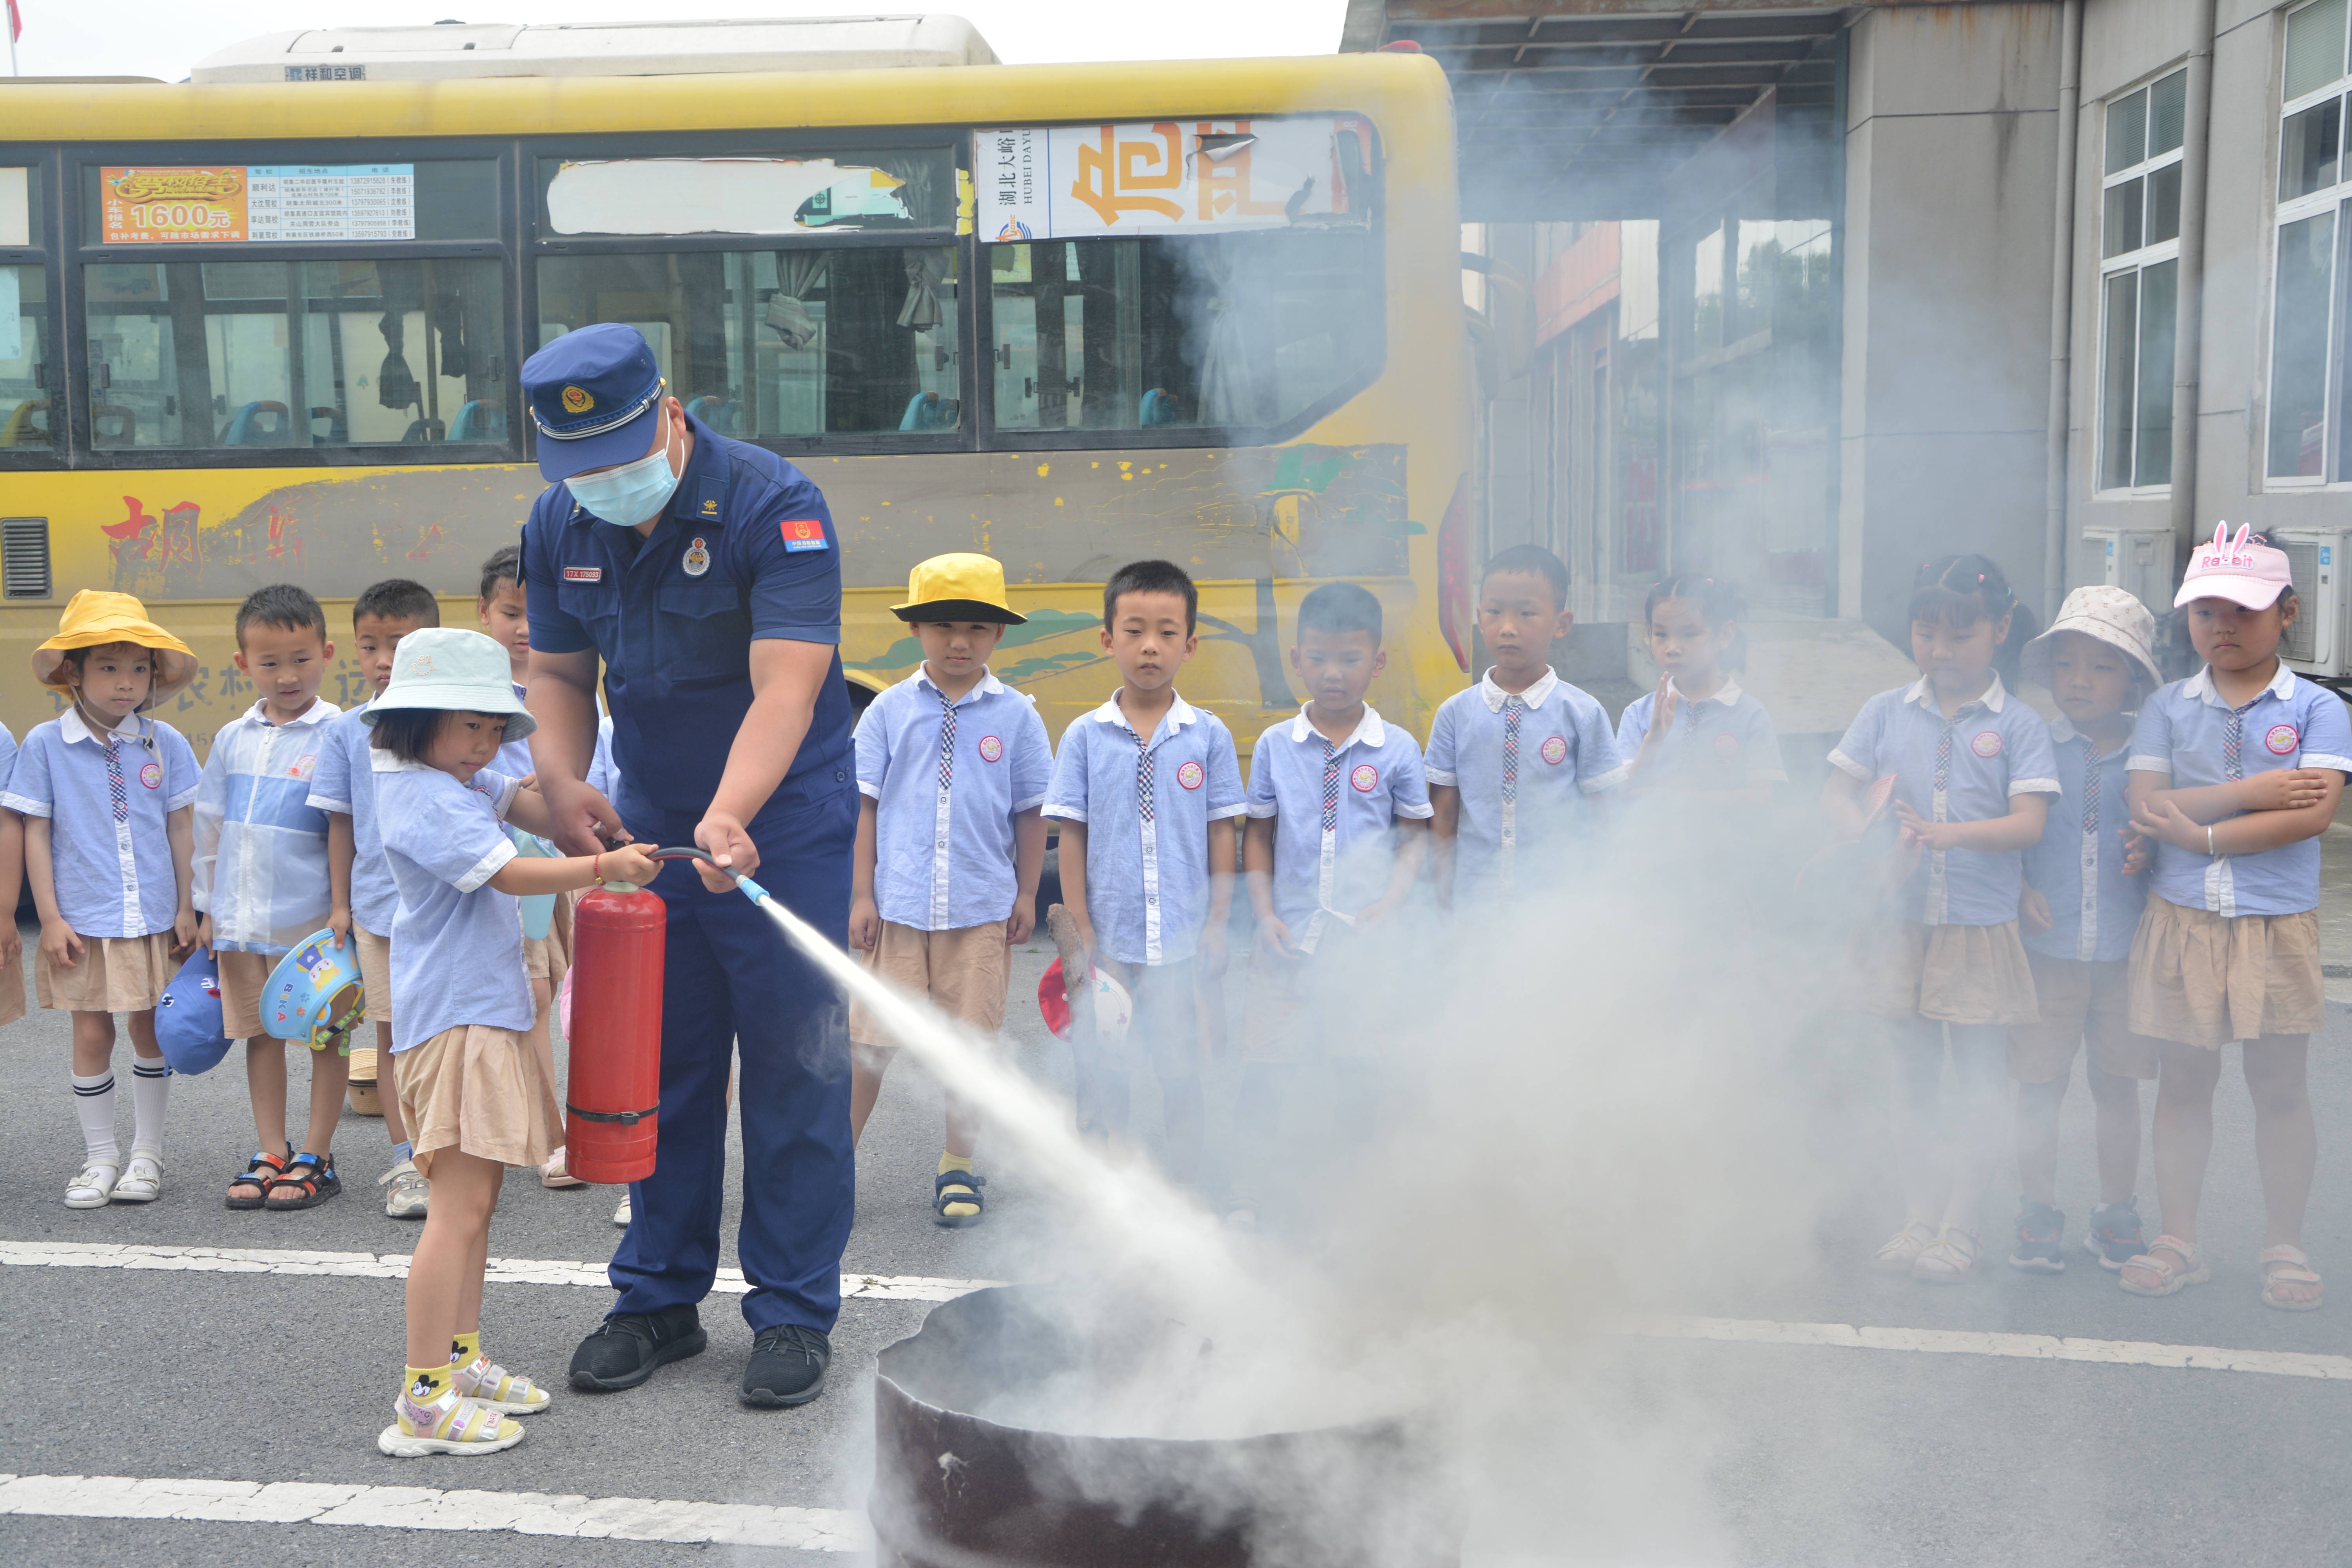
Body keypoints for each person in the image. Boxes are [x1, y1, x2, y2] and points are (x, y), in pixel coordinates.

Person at [515, 323, 859, 1410]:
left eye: (620, 459)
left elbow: (789, 690)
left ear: (670, 415)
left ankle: (793, 1313)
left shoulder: (775, 504)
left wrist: (734, 812)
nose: (603, 487)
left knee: (796, 1067)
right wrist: (564, 783)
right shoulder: (559, 519)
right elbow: (562, 675)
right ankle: (657, 1298)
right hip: (656, 823)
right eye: (581, 471)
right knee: (663, 1063)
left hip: (782, 821)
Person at [368, 627, 661, 1457]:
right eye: (474, 726)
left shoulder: (453, 775)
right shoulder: (424, 796)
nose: (489, 743)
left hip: (480, 1011)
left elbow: (523, 801)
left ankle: (460, 1360)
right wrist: (604, 869)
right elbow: (508, 871)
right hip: (456, 1021)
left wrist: (579, 813)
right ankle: (424, 1394)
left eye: (498, 727)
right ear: (417, 720)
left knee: (478, 1205)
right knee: (456, 1210)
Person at [2117, 525, 2350, 1311]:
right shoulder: (2165, 705)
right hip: (2181, 918)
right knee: (2183, 1083)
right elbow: (2142, 805)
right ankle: (2179, 1236)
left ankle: (2284, 1241)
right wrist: (2249, 794)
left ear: (2287, 610)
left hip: (2276, 923)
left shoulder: (2320, 707)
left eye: (2243, 610)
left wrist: (2198, 831)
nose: (2221, 625)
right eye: (2205, 609)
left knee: (2280, 1087)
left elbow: (2312, 814)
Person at [1826, 555, 2059, 1284]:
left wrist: (1946, 833)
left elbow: (2029, 823)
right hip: (1901, 925)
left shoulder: (2020, 725)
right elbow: (1837, 792)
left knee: (1982, 1079)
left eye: (1960, 636)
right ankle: (1917, 1215)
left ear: (2000, 631)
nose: (1940, 651)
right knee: (1912, 1077)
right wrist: (1861, 831)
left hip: (1979, 927)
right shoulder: (1885, 711)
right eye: (1927, 633)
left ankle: (1963, 1224)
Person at [847, 553, 1051, 1227]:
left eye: (976, 628)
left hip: (979, 909)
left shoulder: (1018, 716)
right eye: (942, 626)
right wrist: (862, 897)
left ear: (998, 636)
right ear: (915, 630)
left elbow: (1030, 812)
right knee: (871, 1042)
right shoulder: (887, 710)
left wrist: (1026, 895)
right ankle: (836, 1162)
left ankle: (958, 1165)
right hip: (899, 908)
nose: (959, 642)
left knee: (972, 1047)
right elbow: (866, 808)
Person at [1234, 581, 1431, 1226]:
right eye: (1318, 658)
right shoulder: (1274, 746)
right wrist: (1264, 915)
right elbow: (1258, 835)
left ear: (1376, 662)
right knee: (1269, 1071)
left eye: (1349, 659)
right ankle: (1265, 1197)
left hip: (1364, 948)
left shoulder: (1397, 748)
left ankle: (1358, 1201)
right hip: (1287, 940)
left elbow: (1413, 840)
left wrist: (1391, 905)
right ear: (1297, 659)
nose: (1332, 672)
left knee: (1359, 1072)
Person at [1045, 559, 1244, 1185]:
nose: (1149, 646)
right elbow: (1070, 835)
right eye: (1133, 630)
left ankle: (1187, 1180)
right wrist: (1081, 929)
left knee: (1180, 1065)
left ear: (1190, 644)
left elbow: (1221, 834)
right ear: (1108, 640)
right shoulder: (1084, 736)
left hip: (1182, 941)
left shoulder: (1207, 736)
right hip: (1111, 944)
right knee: (1108, 1066)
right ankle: (1113, 1183)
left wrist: (1217, 922)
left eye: (1166, 632)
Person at [4, 592, 200, 1207]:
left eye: (139, 668)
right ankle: (99, 1158)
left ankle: (147, 1154)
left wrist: (189, 907)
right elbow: (35, 830)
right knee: (91, 1036)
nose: (127, 683)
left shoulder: (164, 742)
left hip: (153, 919)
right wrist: (52, 917)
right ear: (74, 673)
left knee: (151, 1030)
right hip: (83, 921)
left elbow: (182, 828)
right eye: (110, 668)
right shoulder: (44, 745)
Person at [2007, 587, 2163, 1273]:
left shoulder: (2155, 755)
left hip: (2129, 952)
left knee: (2118, 1084)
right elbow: (2008, 829)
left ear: (2132, 677)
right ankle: (2036, 1207)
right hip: (2049, 951)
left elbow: (2173, 841)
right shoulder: (2033, 744)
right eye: (2067, 664)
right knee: (2038, 1083)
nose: (2079, 680)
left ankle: (2116, 1208)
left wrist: (2155, 853)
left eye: (2102, 667)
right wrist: (2019, 887)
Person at [192, 584, 347, 1212]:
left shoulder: (341, 732)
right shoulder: (233, 737)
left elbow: (348, 829)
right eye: (270, 662)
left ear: (327, 653)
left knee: (327, 1036)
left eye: (302, 659)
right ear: (242, 665)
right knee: (261, 1035)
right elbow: (210, 824)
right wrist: (206, 906)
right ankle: (271, 1149)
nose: (288, 676)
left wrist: (343, 907)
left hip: (312, 926)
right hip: (240, 918)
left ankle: (318, 1153)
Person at [310, 577, 440, 1220]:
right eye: (370, 646)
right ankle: (406, 1158)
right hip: (379, 913)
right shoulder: (344, 732)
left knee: (446, 1036)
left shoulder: (453, 720)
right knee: (391, 1039)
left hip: (449, 913)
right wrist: (341, 905)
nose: (383, 659)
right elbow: (340, 822)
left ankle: (453, 1155)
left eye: (401, 644)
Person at [1426, 544, 1626, 907]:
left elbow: (1603, 813)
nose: (1507, 628)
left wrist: (1602, 892)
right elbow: (1444, 812)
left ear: (1561, 624)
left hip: (1556, 902)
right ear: (1479, 618)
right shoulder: (1455, 713)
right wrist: (1441, 893)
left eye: (1527, 613)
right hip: (1476, 899)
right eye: (1495, 612)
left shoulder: (1582, 713)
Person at [479, 542, 581, 1192]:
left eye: (537, 616)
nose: (523, 629)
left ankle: (577, 1127)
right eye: (511, 612)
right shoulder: (470, 695)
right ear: (484, 613)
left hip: (563, 878)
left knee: (572, 1002)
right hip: (502, 880)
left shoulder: (571, 695)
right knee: (532, 999)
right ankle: (554, 1136)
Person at [1615, 574, 1786, 802]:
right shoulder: (1639, 714)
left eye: (1689, 634)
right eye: (1661, 634)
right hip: (1653, 837)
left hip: (1729, 837)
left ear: (1725, 636)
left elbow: (1763, 798)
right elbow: (1619, 798)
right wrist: (1653, 739)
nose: (1672, 648)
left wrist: (1681, 802)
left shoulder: (1749, 714)